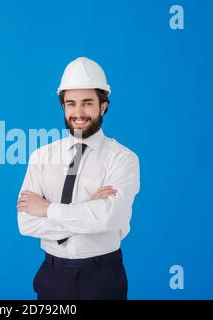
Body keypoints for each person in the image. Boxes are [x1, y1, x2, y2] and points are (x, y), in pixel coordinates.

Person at [17, 57, 140, 300]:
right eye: (71, 103)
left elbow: (108, 218)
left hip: (103, 276)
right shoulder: (41, 156)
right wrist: (87, 211)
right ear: (63, 106)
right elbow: (26, 223)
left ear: (102, 106)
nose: (78, 112)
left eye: (87, 103)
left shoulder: (123, 159)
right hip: (52, 276)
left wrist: (47, 208)